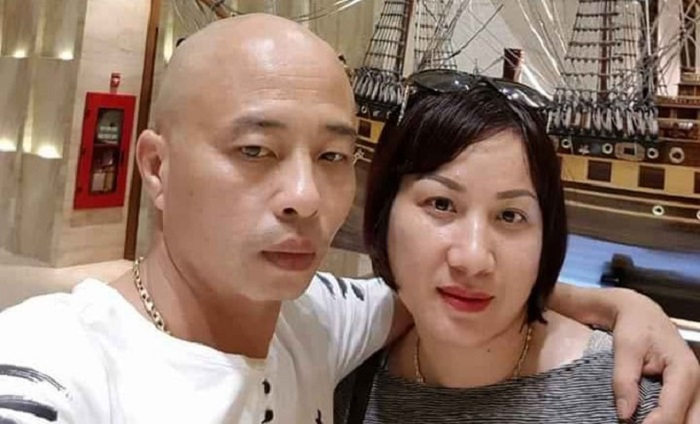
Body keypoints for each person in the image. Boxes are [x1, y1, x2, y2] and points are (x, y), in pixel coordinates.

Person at [0, 14, 697, 424]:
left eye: (333, 156)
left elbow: (447, 288)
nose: (305, 196)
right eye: (255, 150)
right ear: (156, 167)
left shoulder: (318, 322)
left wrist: (622, 305)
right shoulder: (52, 367)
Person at [334, 73, 693, 424]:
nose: (473, 258)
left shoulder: (641, 401)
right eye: (441, 204)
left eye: (510, 215)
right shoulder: (340, 375)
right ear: (383, 213)